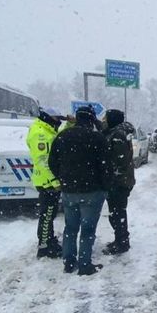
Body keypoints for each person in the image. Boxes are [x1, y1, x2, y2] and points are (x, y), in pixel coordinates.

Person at [49, 106, 109, 276]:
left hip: (69, 190)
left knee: (70, 227)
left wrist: (63, 178)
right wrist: (105, 186)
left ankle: (68, 262)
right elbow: (106, 166)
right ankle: (84, 264)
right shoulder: (97, 138)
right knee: (88, 229)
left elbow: (52, 162)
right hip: (93, 191)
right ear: (91, 120)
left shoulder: (62, 137)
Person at [27, 107, 65, 259]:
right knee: (47, 214)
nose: (59, 122)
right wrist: (54, 181)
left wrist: (68, 124)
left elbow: (58, 135)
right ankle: (44, 246)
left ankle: (48, 240)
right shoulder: (40, 134)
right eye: (57, 119)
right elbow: (43, 161)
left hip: (46, 180)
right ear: (49, 118)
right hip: (46, 182)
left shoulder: (45, 129)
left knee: (50, 212)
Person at [101, 109, 135, 255]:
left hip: (119, 181)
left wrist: (109, 173)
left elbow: (120, 160)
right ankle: (120, 239)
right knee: (117, 213)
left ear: (112, 119)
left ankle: (121, 242)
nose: (103, 120)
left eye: (105, 117)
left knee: (117, 213)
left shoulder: (117, 136)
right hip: (120, 180)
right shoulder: (117, 133)